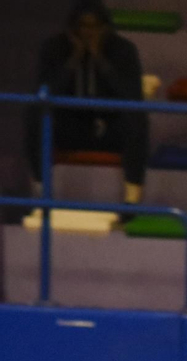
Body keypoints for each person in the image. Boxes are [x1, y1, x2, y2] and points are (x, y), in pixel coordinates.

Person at [26, 0, 148, 208]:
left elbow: (131, 96)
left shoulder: (124, 50)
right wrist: (74, 60)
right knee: (34, 114)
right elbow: (45, 93)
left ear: (106, 27)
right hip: (69, 125)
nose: (88, 32)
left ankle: (132, 199)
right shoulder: (54, 48)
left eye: (95, 27)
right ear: (72, 28)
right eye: (83, 26)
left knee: (138, 119)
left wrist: (100, 60)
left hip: (109, 125)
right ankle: (40, 194)